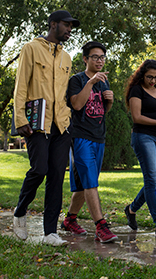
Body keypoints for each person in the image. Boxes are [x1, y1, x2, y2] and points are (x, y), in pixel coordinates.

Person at [13, 10, 80, 246]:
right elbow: (21, 85)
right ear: (53, 25)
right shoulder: (31, 48)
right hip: (36, 124)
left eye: (72, 26)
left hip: (62, 124)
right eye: (66, 25)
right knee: (39, 170)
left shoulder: (67, 58)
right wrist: (20, 118)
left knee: (55, 177)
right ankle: (20, 211)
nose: (70, 29)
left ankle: (50, 232)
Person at [61, 41, 117, 243]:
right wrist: (91, 82)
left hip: (98, 137)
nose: (100, 60)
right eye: (95, 57)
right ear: (85, 59)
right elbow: (76, 104)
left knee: (86, 183)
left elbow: (101, 112)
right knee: (91, 182)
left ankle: (70, 219)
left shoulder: (104, 82)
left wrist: (108, 101)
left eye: (102, 57)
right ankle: (101, 227)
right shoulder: (77, 80)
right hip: (80, 136)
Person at [124, 59, 156, 238]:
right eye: (149, 77)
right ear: (142, 75)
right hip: (143, 136)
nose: (153, 80)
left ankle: (131, 209)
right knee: (151, 179)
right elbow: (137, 117)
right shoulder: (136, 90)